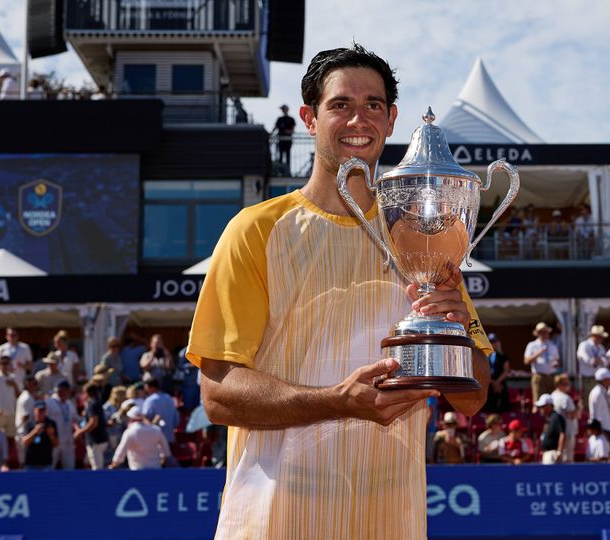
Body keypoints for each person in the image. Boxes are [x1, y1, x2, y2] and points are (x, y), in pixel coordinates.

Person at [186, 44, 491, 539]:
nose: (359, 119)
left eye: (373, 105)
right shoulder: (255, 230)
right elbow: (218, 394)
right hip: (275, 519)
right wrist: (337, 400)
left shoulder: (423, 234)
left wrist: (455, 330)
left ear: (391, 121)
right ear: (309, 117)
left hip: (390, 519)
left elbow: (473, 398)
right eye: (341, 105)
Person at [525, 322, 560, 410]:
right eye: (542, 332)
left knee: (552, 402)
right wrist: (538, 353)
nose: (545, 334)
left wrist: (556, 363)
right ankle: (538, 420)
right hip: (539, 377)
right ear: (538, 333)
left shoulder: (552, 346)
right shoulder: (532, 345)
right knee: (538, 401)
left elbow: (557, 360)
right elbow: (526, 361)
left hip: (551, 376)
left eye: (546, 332)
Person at [46, 380, 79, 470]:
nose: (64, 393)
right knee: (50, 466)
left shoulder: (69, 403)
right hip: (54, 440)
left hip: (67, 440)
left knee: (69, 467)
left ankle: (69, 484)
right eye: (61, 391)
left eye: (66, 391)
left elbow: (75, 419)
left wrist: (79, 428)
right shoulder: (49, 403)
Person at [74, 384, 109, 469]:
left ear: (87, 393)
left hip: (95, 441)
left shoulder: (92, 404)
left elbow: (94, 422)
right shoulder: (96, 403)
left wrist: (80, 432)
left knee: (97, 468)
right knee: (87, 463)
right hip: (98, 439)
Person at [19, 401, 58, 471]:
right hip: (31, 463)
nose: (41, 413)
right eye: (39, 411)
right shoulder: (29, 424)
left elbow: (56, 444)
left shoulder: (51, 423)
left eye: (43, 410)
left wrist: (51, 435)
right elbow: (24, 442)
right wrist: (34, 432)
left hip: (46, 464)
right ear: (34, 411)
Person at [576, 325, 608, 405]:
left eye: (601, 337)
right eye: (599, 337)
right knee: (588, 401)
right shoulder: (584, 345)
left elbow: (606, 361)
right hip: (588, 379)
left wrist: (598, 361)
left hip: (600, 380)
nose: (601, 339)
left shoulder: (601, 347)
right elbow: (588, 361)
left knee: (600, 401)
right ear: (594, 336)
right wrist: (598, 361)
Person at [142, 377, 179, 445]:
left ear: (151, 387)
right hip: (170, 438)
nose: (145, 389)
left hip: (156, 441)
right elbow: (176, 421)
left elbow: (145, 419)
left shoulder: (150, 400)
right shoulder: (169, 398)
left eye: (146, 386)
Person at [588, 368, 610, 457]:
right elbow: (596, 416)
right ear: (604, 380)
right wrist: (604, 435)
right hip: (603, 432)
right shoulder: (597, 393)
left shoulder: (602, 392)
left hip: (606, 430)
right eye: (609, 379)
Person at [551, 374, 579, 463]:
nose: (568, 386)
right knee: (568, 459)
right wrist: (579, 407)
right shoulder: (565, 398)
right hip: (567, 432)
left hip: (557, 433)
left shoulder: (552, 395)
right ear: (559, 385)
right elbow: (572, 415)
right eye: (566, 384)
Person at [536, 394, 566, 464]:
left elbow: (562, 434)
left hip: (553, 453)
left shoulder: (556, 417)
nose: (540, 409)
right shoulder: (549, 418)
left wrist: (559, 451)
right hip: (547, 453)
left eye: (542, 406)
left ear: (549, 406)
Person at [485, 333, 510, 412]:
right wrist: (492, 382)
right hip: (488, 384)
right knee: (489, 406)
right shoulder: (484, 355)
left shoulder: (503, 355)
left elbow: (506, 370)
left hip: (500, 383)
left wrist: (497, 382)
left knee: (501, 406)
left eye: (494, 342)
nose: (493, 344)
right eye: (491, 342)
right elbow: (483, 370)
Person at [271, 104, 297, 175]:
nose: (283, 110)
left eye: (284, 109)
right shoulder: (279, 119)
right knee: (281, 156)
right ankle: (280, 172)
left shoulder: (291, 119)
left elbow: (292, 130)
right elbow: (275, 128)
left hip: (288, 140)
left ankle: (288, 172)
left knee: (288, 156)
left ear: (287, 110)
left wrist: (286, 131)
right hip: (281, 140)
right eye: (282, 109)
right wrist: (270, 134)